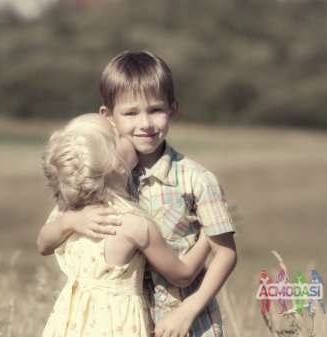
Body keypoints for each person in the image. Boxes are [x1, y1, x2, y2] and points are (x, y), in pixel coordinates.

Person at [38, 51, 238, 337]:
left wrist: (189, 309)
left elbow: (225, 254)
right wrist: (71, 221)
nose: (145, 123)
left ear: (173, 109)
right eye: (131, 113)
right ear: (107, 116)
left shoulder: (197, 180)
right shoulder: (99, 174)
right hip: (120, 323)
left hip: (183, 322)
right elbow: (45, 240)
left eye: (155, 110)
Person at [40, 113, 212, 337]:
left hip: (68, 325)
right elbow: (182, 274)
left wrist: (69, 222)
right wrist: (210, 232)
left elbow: (43, 244)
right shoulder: (134, 225)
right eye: (120, 135)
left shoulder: (71, 210)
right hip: (116, 327)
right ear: (117, 165)